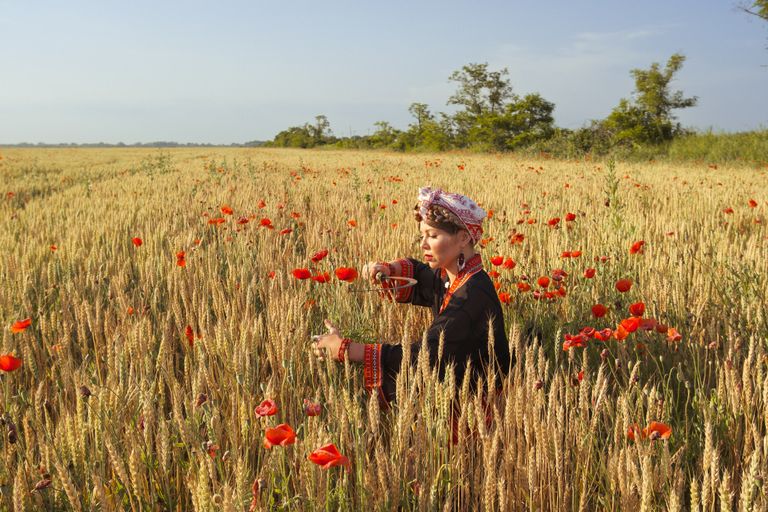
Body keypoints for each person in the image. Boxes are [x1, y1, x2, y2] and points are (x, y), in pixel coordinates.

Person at [311, 186, 511, 410]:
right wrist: (386, 269)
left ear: (464, 237)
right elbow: (423, 276)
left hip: (474, 408)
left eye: (433, 236)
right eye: (421, 236)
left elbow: (422, 356)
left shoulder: (471, 295)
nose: (423, 245)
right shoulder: (458, 276)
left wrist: (346, 349)